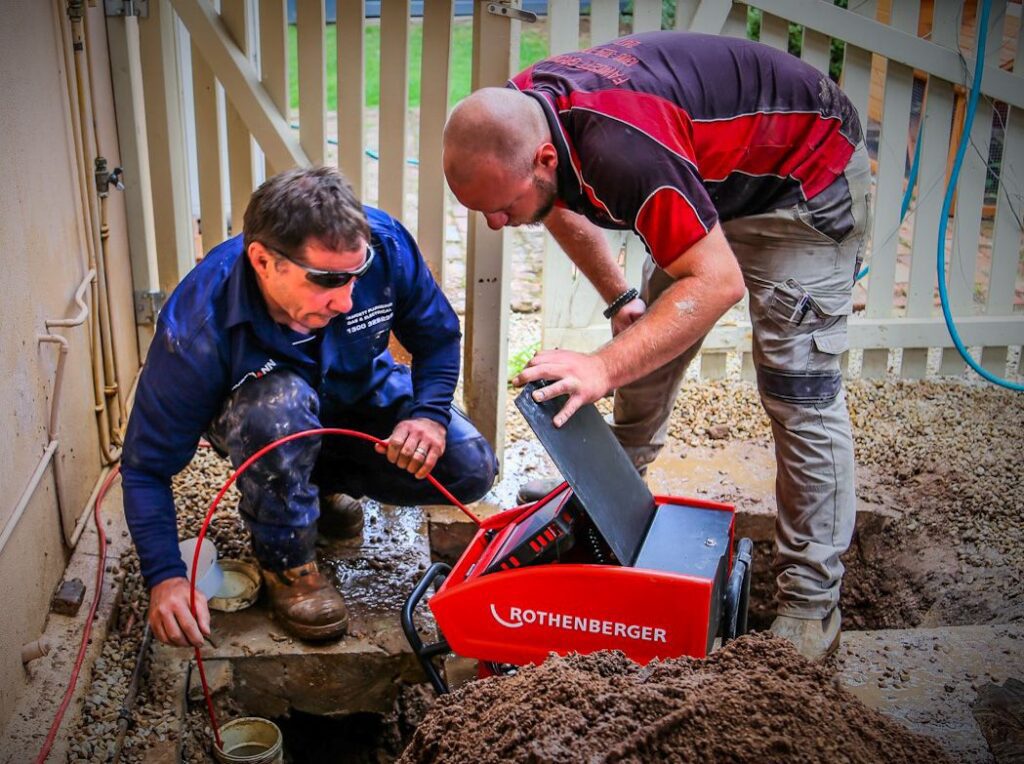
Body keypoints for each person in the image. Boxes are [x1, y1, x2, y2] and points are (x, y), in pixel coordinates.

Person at [442, 30, 871, 660]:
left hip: (803, 179)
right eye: (482, 211)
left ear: (542, 159)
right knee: (641, 344)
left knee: (797, 392)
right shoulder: (527, 119)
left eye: (503, 208)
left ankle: (812, 604)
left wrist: (600, 369)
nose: (496, 224)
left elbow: (717, 283)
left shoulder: (624, 150)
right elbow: (556, 204)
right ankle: (610, 497)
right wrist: (623, 305)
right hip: (708, 175)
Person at [122, 167, 497, 646]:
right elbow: (144, 468)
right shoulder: (198, 323)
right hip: (267, 418)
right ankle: (288, 565)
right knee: (278, 407)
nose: (345, 300)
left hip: (359, 392)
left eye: (356, 276)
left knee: (469, 467)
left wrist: (428, 416)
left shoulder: (386, 246)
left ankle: (320, 490)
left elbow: (439, 337)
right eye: (326, 280)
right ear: (263, 261)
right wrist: (165, 575)